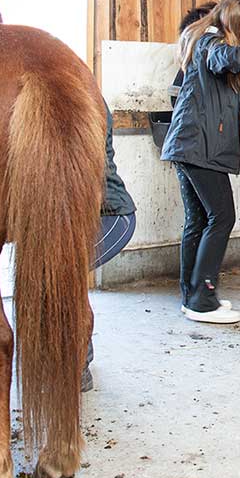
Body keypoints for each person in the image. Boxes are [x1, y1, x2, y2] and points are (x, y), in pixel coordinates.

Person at [161, 0, 240, 324]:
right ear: (232, 19)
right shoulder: (210, 41)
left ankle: (192, 294)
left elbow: (226, 90)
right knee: (222, 217)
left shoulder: (203, 45)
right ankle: (204, 299)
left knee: (198, 221)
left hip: (189, 146)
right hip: (199, 148)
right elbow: (228, 59)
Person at [81, 103, 137, 392]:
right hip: (85, 219)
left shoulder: (90, 103)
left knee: (62, 273)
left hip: (113, 216)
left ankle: (79, 362)